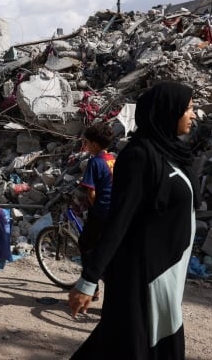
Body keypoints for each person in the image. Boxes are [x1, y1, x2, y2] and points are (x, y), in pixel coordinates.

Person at [68, 82, 198, 359]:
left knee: (126, 343)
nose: (194, 114)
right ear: (167, 111)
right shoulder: (140, 155)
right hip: (145, 276)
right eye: (188, 109)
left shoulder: (173, 154)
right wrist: (89, 279)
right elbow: (119, 221)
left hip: (169, 272)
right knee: (136, 345)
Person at [77, 122, 116, 301]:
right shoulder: (112, 159)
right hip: (115, 211)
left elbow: (91, 191)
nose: (85, 146)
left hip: (101, 212)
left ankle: (91, 288)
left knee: (86, 245)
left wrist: (95, 207)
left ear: (93, 144)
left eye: (87, 142)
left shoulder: (95, 162)